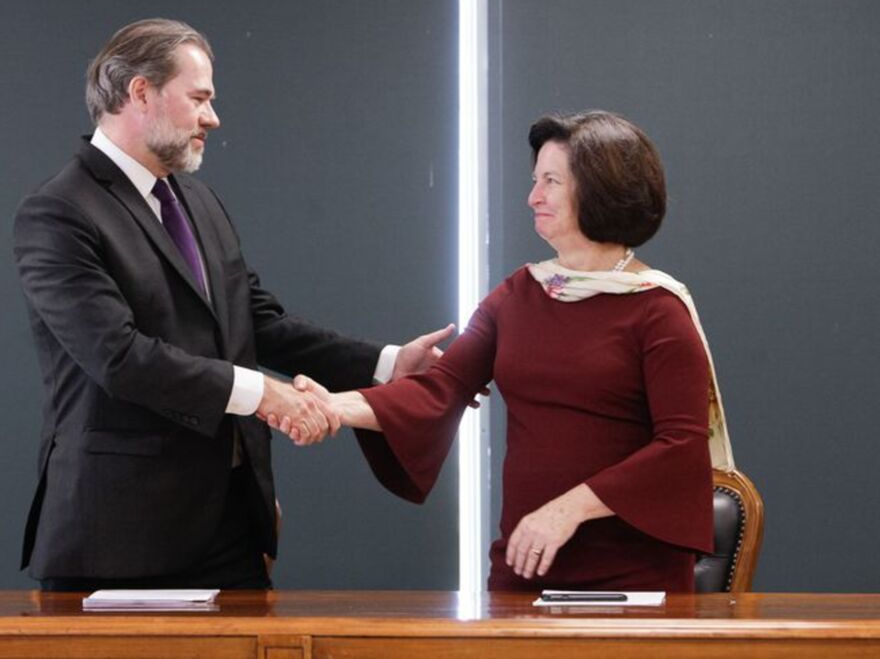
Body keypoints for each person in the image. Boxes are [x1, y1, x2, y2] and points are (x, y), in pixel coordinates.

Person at [13, 18, 450, 592]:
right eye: (199, 99)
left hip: (233, 527)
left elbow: (257, 321)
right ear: (140, 92)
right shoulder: (59, 213)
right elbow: (119, 358)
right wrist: (263, 393)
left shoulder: (199, 201)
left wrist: (389, 364)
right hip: (118, 538)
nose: (212, 118)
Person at [292, 111, 735, 592]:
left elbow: (680, 447)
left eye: (551, 182)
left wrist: (568, 509)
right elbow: (441, 388)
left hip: (633, 573)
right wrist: (333, 406)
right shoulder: (518, 294)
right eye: (534, 181)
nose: (533, 197)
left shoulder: (658, 308)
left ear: (601, 189)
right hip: (525, 564)